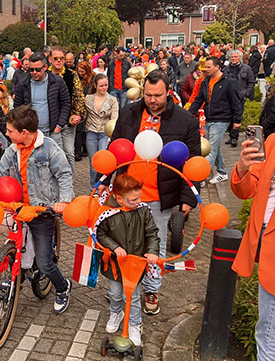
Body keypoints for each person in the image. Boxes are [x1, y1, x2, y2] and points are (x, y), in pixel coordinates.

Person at [98, 69, 200, 315]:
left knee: (155, 246)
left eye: (158, 95)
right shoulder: (130, 112)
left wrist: (187, 198)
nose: (152, 100)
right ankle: (120, 286)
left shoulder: (186, 121)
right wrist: (104, 179)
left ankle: (151, 289)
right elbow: (116, 149)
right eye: (148, 95)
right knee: (121, 241)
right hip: (124, 192)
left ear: (169, 92)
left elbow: (193, 162)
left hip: (158, 196)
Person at [0, 105, 73, 314]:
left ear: (23, 133)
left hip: (42, 211)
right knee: (13, 244)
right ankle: (12, 273)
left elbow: (64, 174)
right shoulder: (13, 149)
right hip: (18, 207)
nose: (6, 134)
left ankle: (62, 287)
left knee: (45, 263)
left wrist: (63, 201)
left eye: (9, 131)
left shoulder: (50, 148)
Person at [230, 129, 275, 360]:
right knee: (271, 332)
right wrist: (244, 166)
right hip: (267, 244)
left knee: (273, 337)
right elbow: (248, 189)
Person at [97, 173, 160, 347]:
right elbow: (99, 234)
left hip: (135, 263)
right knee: (115, 293)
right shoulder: (107, 213)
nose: (138, 201)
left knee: (131, 297)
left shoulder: (143, 211)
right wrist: (114, 247)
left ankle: (134, 324)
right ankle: (116, 312)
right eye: (133, 199)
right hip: (115, 265)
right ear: (119, 199)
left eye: (139, 197)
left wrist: (152, 251)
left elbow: (152, 233)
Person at [188, 57, 242, 185]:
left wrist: (237, 120)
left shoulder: (229, 82)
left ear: (217, 67)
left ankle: (200, 176)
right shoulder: (206, 81)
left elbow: (236, 101)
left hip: (222, 119)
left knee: (211, 149)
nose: (205, 70)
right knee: (214, 146)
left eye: (208, 67)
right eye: (205, 67)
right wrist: (188, 114)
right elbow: (199, 99)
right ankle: (222, 172)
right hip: (209, 118)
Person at [13, 52, 71, 149]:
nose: (34, 72)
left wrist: (59, 125)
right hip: (31, 133)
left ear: (45, 67)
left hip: (52, 132)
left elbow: (66, 103)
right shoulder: (23, 84)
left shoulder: (57, 82)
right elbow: (17, 107)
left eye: (38, 69)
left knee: (56, 162)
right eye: (31, 69)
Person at [48, 47, 86, 171]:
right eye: (56, 58)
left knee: (69, 152)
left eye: (61, 59)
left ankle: (69, 182)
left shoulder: (72, 74)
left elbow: (79, 95)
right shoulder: (46, 76)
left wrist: (78, 114)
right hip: (51, 121)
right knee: (53, 153)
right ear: (50, 60)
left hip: (68, 120)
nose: (59, 61)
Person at [85, 74, 118, 189]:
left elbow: (114, 118)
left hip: (105, 133)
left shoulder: (112, 100)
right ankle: (93, 188)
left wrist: (111, 135)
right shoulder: (88, 98)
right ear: (95, 86)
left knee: (103, 162)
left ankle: (102, 187)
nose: (104, 88)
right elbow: (83, 114)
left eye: (106, 85)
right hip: (91, 132)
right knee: (93, 162)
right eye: (101, 86)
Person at [224, 50, 256, 147]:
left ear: (240, 57)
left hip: (239, 96)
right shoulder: (226, 68)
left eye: (235, 57)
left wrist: (246, 93)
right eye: (232, 57)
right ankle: (231, 135)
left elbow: (251, 82)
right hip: (228, 97)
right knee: (229, 116)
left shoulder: (246, 68)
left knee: (237, 117)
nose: (233, 59)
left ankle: (235, 137)